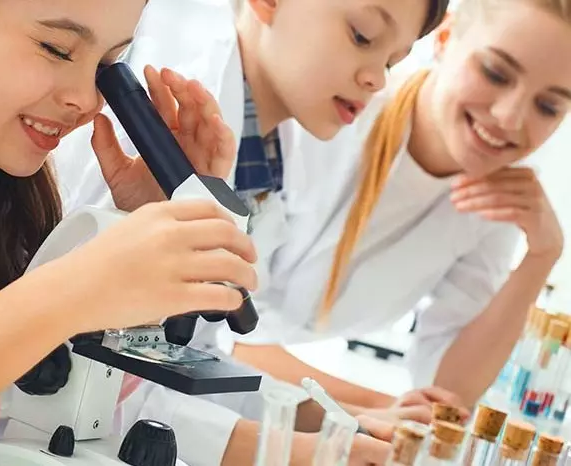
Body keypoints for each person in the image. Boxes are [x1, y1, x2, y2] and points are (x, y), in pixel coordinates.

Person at [53, 0, 452, 465]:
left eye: (391, 62)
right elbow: (79, 363)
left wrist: (340, 424)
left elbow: (189, 355)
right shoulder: (170, 126)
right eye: (362, 36)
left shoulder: (270, 154)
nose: (378, 79)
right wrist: (295, 451)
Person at [0, 0, 259, 464]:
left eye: (106, 67)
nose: (87, 99)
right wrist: (67, 295)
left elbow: (45, 398)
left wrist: (138, 224)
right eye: (56, 48)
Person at [233, 0, 570, 414]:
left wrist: (543, 255)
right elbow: (223, 337)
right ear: (444, 38)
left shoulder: (495, 206)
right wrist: (379, 409)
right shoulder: (330, 105)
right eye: (496, 73)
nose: (509, 117)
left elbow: (447, 395)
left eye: (549, 106)